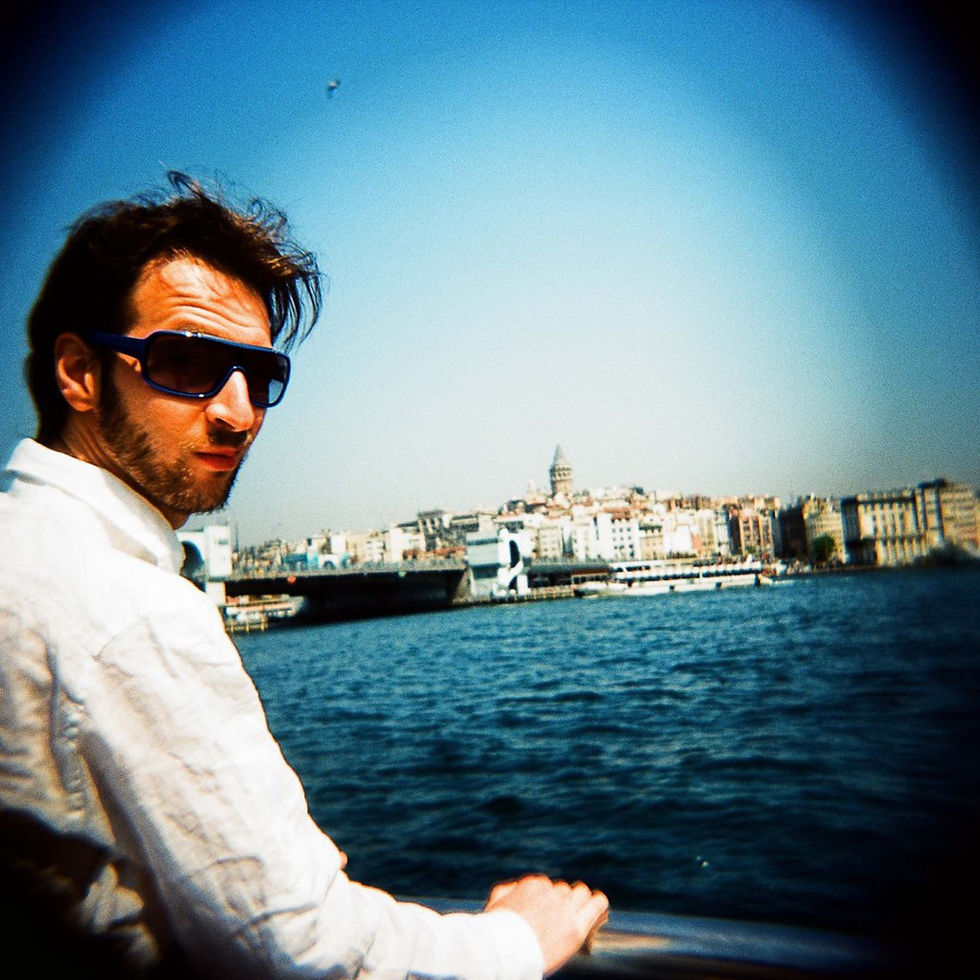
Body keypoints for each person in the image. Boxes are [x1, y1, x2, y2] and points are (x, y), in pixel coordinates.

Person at [0, 173, 608, 978]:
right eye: (185, 361)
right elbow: (299, 952)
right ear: (79, 373)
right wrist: (516, 941)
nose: (238, 412)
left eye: (260, 377)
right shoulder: (128, 606)